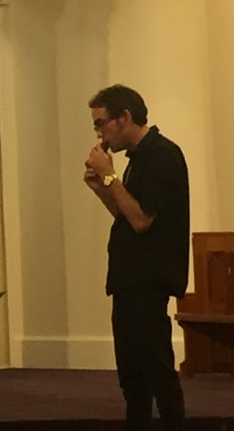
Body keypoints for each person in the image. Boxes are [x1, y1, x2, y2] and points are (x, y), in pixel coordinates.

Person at [83, 85, 188, 430]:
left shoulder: (162, 155)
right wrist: (102, 188)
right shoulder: (139, 158)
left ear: (124, 117)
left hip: (149, 277)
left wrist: (110, 175)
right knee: (132, 375)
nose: (99, 133)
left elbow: (142, 220)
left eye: (101, 123)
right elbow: (125, 215)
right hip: (129, 277)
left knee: (156, 369)